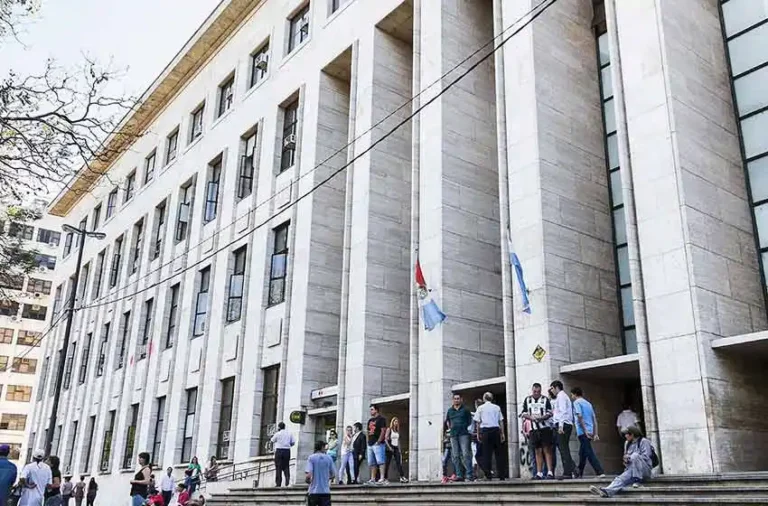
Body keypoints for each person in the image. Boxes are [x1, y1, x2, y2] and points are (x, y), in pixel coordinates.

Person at [590, 426, 654, 498]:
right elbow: (626, 458)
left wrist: (631, 458)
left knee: (635, 456)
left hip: (645, 470)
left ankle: (637, 480)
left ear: (632, 434)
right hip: (632, 470)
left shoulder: (644, 441)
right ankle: (606, 491)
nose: (625, 436)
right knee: (620, 478)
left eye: (627, 434)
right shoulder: (627, 443)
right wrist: (626, 460)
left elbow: (646, 457)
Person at [520, 383, 555, 480]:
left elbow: (550, 413)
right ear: (532, 390)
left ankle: (550, 472)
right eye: (535, 391)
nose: (536, 393)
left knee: (547, 449)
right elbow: (524, 413)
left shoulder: (545, 399)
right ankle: (539, 473)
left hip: (545, 428)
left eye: (538, 391)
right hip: (533, 429)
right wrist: (531, 417)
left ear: (541, 391)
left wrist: (541, 418)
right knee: (537, 450)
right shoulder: (528, 400)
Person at [571, 387, 605, 477]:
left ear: (574, 394)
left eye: (572, 395)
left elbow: (580, 417)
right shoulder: (588, 404)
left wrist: (585, 431)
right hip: (590, 430)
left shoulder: (576, 403)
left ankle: (600, 471)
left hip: (582, 431)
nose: (572, 396)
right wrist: (596, 433)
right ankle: (579, 472)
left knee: (589, 452)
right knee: (582, 453)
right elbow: (594, 419)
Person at [473, 392, 506, 480]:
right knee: (499, 453)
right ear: (491, 399)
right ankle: (502, 475)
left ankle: (488, 475)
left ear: (484, 399)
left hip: (486, 431)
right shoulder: (497, 407)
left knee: (486, 454)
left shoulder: (480, 408)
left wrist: (478, 434)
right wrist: (502, 433)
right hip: (495, 430)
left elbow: (478, 422)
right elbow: (501, 421)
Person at [549, 380, 577, 479]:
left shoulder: (561, 396)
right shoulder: (561, 396)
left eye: (552, 388)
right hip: (563, 424)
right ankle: (573, 468)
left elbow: (563, 412)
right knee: (563, 448)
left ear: (556, 387)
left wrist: (560, 426)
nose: (551, 390)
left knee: (563, 449)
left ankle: (568, 472)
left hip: (563, 424)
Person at [445, 393, 473, 482]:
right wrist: (451, 428)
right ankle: (459, 475)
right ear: (453, 400)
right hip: (453, 435)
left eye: (458, 398)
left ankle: (469, 475)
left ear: (461, 399)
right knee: (455, 456)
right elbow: (448, 421)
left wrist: (463, 427)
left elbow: (469, 421)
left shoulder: (465, 410)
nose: (456, 400)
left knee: (466, 454)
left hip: (463, 434)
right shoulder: (450, 410)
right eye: (455, 399)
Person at [305, 440, 335, 506]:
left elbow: (308, 475)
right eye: (324, 447)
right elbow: (333, 475)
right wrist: (326, 478)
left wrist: (308, 480)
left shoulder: (311, 458)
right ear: (322, 447)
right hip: (325, 491)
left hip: (313, 491)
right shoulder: (329, 458)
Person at [365, 405, 387, 485]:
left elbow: (383, 430)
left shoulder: (381, 419)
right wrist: (368, 441)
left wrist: (379, 440)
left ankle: (382, 477)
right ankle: (373, 478)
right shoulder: (370, 420)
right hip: (370, 444)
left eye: (372, 410)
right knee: (372, 462)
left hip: (378, 443)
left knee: (380, 461)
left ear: (376, 410)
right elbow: (367, 431)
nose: (371, 411)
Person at [271, 421, 295, 487]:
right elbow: (293, 443)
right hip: (287, 451)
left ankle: (278, 483)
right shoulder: (289, 433)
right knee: (286, 466)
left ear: (279, 427)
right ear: (284, 427)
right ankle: (287, 482)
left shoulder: (277, 434)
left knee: (278, 467)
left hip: (279, 451)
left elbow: (272, 440)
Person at [384, 417, 407, 483]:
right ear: (392, 422)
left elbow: (398, 440)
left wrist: (399, 449)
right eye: (395, 421)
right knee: (387, 463)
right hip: (390, 447)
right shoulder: (389, 429)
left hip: (396, 447)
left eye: (397, 422)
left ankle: (402, 476)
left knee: (398, 462)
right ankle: (385, 478)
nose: (396, 423)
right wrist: (389, 447)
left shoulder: (397, 431)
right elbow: (386, 439)